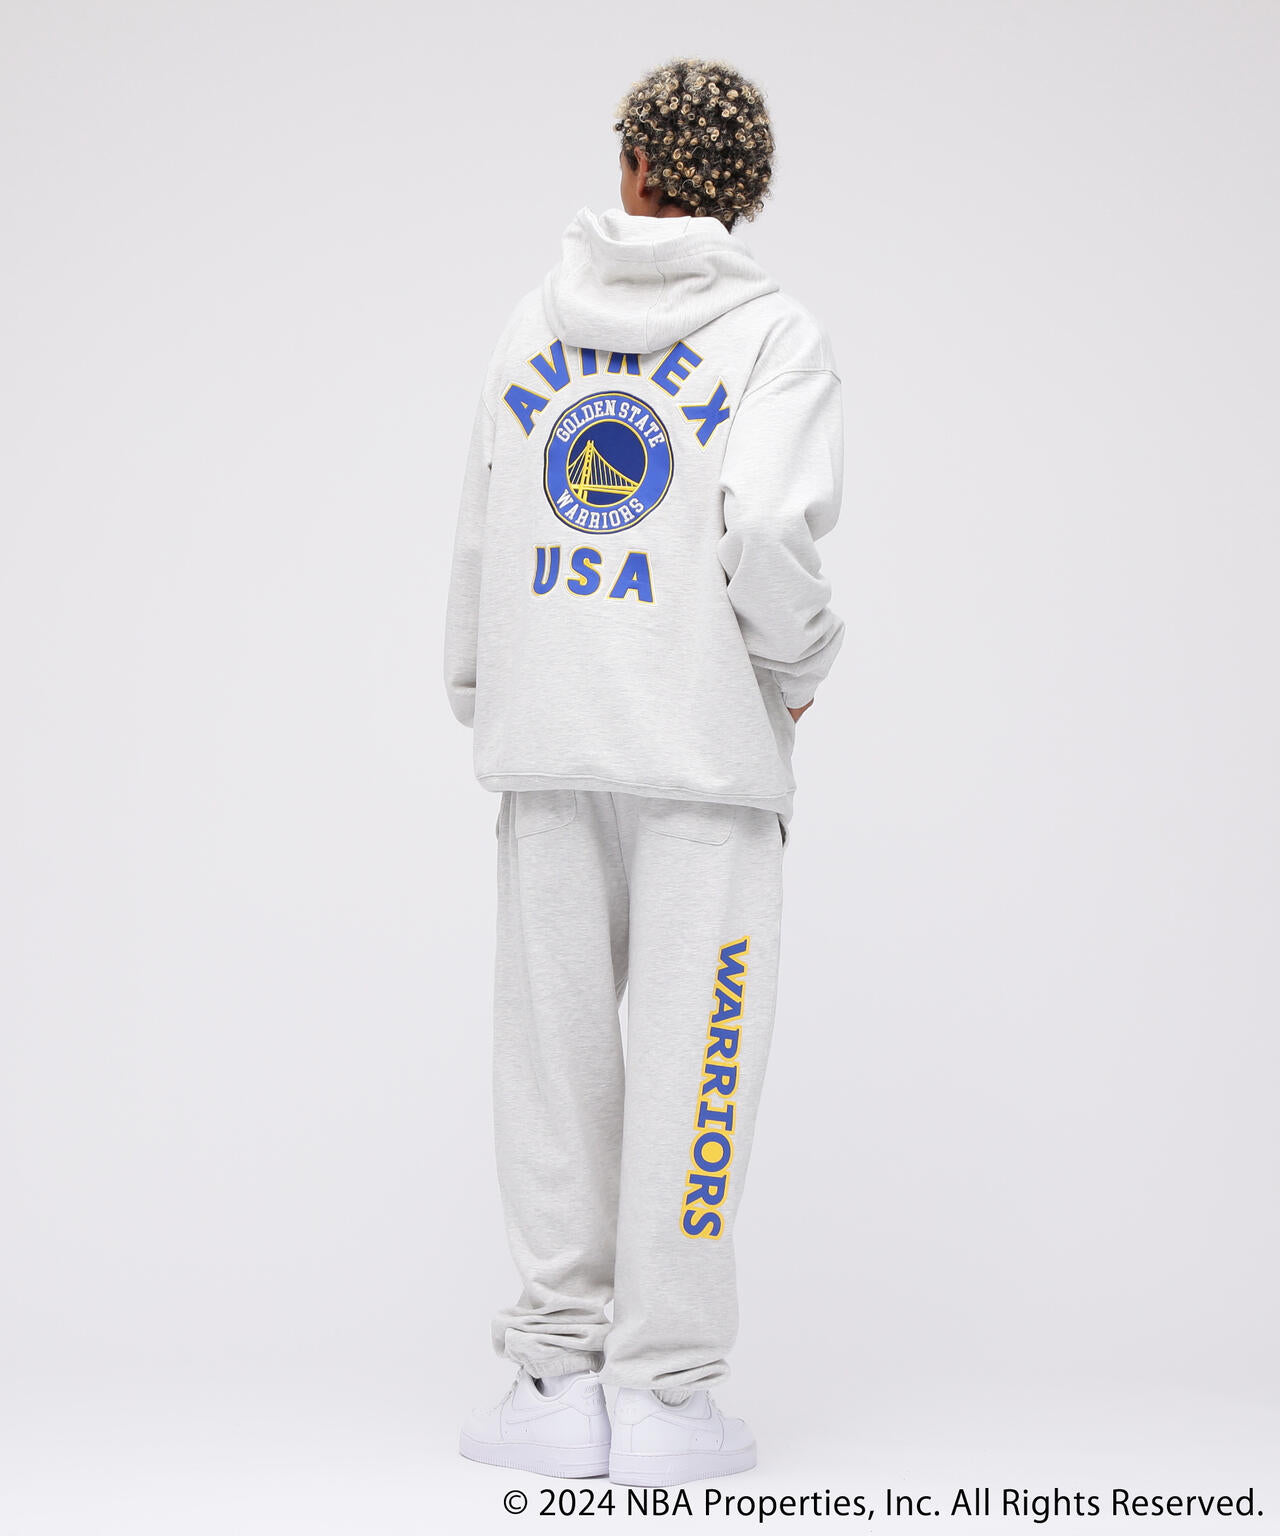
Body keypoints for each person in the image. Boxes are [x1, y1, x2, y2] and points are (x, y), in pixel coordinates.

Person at [444, 58, 844, 1487]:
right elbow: (767, 530)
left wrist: (482, 686)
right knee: (698, 1065)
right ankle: (664, 1399)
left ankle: (557, 1379)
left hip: (550, 738)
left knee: (551, 1065)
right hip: (703, 755)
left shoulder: (529, 320)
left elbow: (485, 520)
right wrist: (800, 664)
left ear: (631, 165)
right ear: (746, 191)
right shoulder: (774, 335)